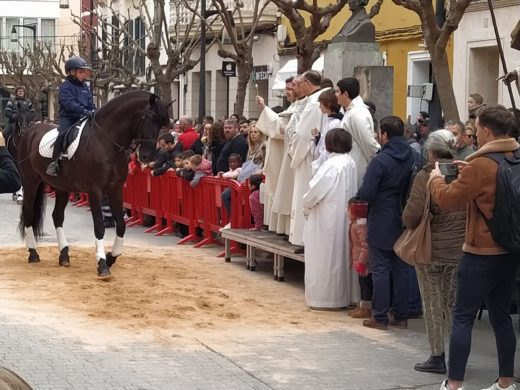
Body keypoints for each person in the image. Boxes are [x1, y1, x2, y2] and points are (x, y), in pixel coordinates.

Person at [430, 105, 520, 390]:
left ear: (486, 130)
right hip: (511, 251)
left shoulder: (480, 164)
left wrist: (435, 180)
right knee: (501, 316)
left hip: (480, 252)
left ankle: (454, 384)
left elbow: (448, 200)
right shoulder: (514, 157)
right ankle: (505, 382)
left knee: (463, 316)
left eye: (476, 128)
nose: (473, 133)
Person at [402, 130, 465, 375]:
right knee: (453, 304)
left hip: (430, 250)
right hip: (459, 249)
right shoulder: (465, 172)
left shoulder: (427, 175)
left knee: (431, 302)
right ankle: (459, 355)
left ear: (431, 150)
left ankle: (437, 356)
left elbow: (412, 215)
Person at [357, 115, 416, 330]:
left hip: (382, 215)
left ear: (384, 135)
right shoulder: (412, 155)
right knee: (400, 267)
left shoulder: (380, 160)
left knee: (380, 267)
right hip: (405, 215)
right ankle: (400, 315)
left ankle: (379, 316)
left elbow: (367, 192)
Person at [302, 128, 358, 309]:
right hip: (344, 216)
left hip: (325, 218)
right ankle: (343, 296)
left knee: (325, 257)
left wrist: (306, 203)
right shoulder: (350, 162)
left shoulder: (331, 165)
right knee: (341, 255)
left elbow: (315, 191)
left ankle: (324, 299)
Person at [290, 71, 325, 247]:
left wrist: (293, 152)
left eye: (300, 83)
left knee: (304, 192)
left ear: (308, 83)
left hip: (308, 155)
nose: (298, 87)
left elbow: (303, 134)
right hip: (313, 152)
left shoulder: (314, 103)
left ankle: (302, 238)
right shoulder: (316, 99)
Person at [47, 57, 95, 176]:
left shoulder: (85, 87)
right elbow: (68, 103)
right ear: (72, 72)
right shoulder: (65, 86)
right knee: (63, 134)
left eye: (84, 72)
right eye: (81, 72)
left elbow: (90, 102)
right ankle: (54, 162)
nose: (83, 75)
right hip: (69, 117)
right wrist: (84, 111)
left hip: (84, 116)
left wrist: (93, 110)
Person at [336, 77, 379, 189]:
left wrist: (376, 162)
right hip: (349, 163)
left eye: (337, 91)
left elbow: (368, 142)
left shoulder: (356, 113)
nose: (336, 95)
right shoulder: (351, 111)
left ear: (345, 94)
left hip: (357, 163)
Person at [347, 198, 371, 318]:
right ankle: (362, 306)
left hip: (364, 263)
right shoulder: (356, 223)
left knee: (365, 284)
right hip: (359, 261)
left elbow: (365, 246)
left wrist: (362, 263)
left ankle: (366, 308)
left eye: (348, 209)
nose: (347, 212)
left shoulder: (360, 225)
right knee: (362, 283)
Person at [311, 88, 344, 175]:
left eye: (321, 104)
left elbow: (328, 149)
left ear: (328, 104)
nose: (319, 106)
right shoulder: (330, 121)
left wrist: (316, 166)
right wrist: (319, 137)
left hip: (328, 166)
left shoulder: (335, 123)